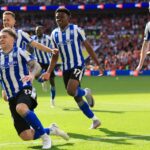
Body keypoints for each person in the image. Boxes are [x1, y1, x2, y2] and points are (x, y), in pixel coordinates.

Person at [0, 28, 69, 149]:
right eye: (0, 37)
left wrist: (32, 75)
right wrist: (4, 89)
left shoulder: (20, 51)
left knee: (21, 107)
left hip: (24, 89)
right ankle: (51, 130)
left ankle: (45, 137)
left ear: (12, 39)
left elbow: (36, 66)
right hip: (11, 96)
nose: (1, 39)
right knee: (25, 135)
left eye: (4, 37)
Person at [41, 8, 103, 129]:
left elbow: (88, 47)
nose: (59, 19)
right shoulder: (54, 34)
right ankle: (94, 120)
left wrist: (98, 64)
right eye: (57, 17)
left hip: (78, 64)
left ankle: (86, 92)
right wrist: (48, 71)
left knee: (70, 90)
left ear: (68, 18)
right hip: (66, 68)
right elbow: (55, 55)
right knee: (76, 97)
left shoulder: (76, 29)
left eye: (62, 17)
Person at [32, 26, 56, 107]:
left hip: (48, 62)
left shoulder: (48, 38)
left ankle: (52, 100)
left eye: (39, 30)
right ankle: (43, 81)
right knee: (36, 77)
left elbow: (53, 48)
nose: (38, 32)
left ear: (43, 30)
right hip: (38, 62)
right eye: (36, 31)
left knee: (52, 82)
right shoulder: (32, 39)